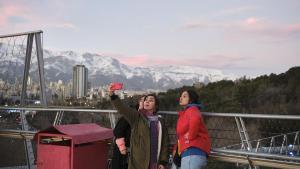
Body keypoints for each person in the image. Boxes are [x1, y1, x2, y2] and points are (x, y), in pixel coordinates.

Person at [108, 84, 169, 169]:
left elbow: (165, 143)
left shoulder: (160, 122)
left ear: (156, 106)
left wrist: (163, 162)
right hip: (138, 163)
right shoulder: (137, 117)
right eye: (146, 100)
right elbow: (122, 108)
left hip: (155, 162)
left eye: (151, 100)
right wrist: (112, 95)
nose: (147, 102)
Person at [173, 90, 211, 169]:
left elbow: (195, 120)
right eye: (181, 96)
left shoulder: (192, 109)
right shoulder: (188, 111)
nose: (181, 98)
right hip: (192, 154)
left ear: (191, 99)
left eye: (184, 96)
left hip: (192, 153)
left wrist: (190, 136)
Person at [111, 96, 145, 169]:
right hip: (124, 151)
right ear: (139, 102)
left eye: (146, 100)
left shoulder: (147, 117)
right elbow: (118, 130)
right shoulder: (132, 113)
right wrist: (122, 147)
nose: (144, 102)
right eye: (142, 100)